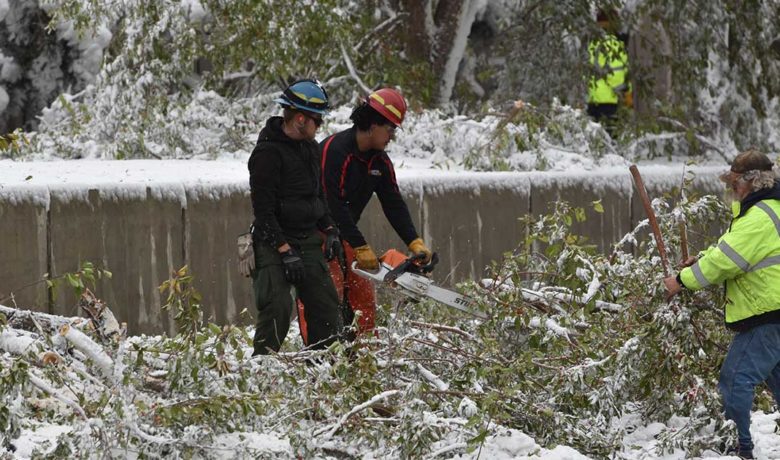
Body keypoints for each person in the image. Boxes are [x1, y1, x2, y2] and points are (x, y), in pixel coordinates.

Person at [664, 149, 780, 460]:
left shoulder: (759, 216)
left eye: (734, 183)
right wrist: (700, 260)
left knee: (735, 380)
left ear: (752, 182)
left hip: (766, 313)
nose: (731, 189)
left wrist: (681, 280)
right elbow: (735, 252)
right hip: (775, 312)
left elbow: (727, 260)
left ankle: (738, 447)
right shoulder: (770, 210)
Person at [320, 88, 432, 335]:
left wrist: (414, 241)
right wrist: (360, 245)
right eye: (390, 129)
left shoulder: (379, 161)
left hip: (345, 234)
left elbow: (393, 202)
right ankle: (321, 357)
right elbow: (332, 204)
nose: (392, 136)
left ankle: (363, 356)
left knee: (363, 301)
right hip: (317, 232)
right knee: (327, 299)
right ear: (372, 124)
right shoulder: (336, 150)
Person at [247, 79, 344, 355]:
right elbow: (263, 212)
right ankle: (263, 367)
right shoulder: (267, 155)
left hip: (307, 239)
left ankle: (323, 367)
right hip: (273, 241)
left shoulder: (310, 149)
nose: (320, 127)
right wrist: (284, 250)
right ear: (300, 119)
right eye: (318, 120)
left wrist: (330, 228)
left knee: (326, 305)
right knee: (277, 305)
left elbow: (317, 196)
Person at [587, 9, 631, 135]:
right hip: (611, 102)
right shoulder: (616, 43)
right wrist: (626, 93)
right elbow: (618, 73)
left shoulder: (591, 43)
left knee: (594, 142)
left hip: (593, 101)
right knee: (612, 143)